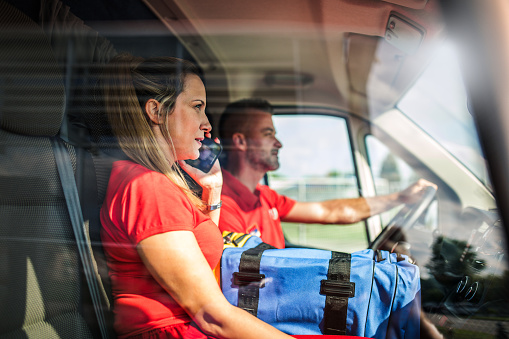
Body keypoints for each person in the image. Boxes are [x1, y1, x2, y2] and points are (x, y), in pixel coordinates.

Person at [99, 54, 293, 339]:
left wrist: (213, 189)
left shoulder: (163, 184)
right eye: (197, 107)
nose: (207, 125)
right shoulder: (148, 186)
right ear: (156, 111)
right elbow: (211, 315)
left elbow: (205, 266)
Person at [218, 98, 437, 249]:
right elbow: (243, 282)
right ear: (240, 141)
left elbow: (328, 212)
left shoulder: (265, 196)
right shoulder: (222, 205)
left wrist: (399, 198)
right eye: (268, 134)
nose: (279, 143)